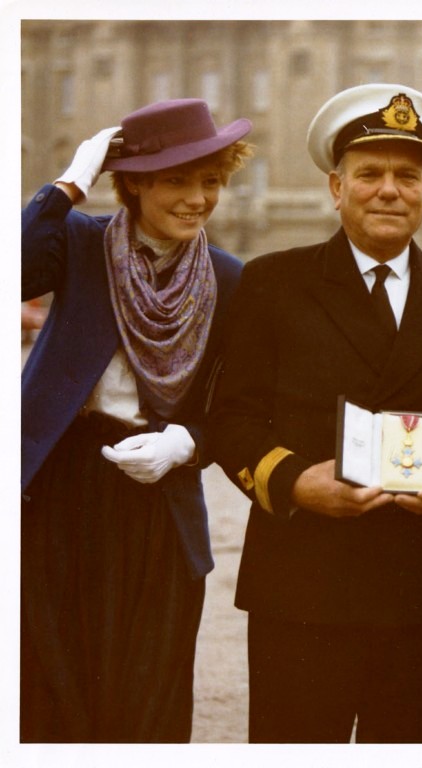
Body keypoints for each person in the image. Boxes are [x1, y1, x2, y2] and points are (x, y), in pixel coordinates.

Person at [209, 83, 422, 744]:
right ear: (336, 188)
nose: (389, 190)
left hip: (415, 589)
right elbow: (232, 417)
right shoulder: (272, 282)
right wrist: (291, 482)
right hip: (302, 584)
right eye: (369, 175)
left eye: (408, 176)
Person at [21, 98, 253, 742]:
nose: (196, 199)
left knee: (148, 689)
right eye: (177, 180)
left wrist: (186, 444)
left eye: (209, 181)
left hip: (159, 496)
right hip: (59, 486)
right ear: (136, 183)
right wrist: (68, 184)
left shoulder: (230, 278)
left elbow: (236, 405)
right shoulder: (79, 242)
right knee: (49, 679)